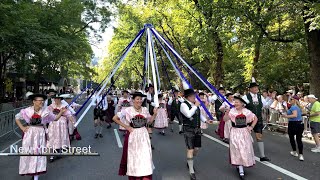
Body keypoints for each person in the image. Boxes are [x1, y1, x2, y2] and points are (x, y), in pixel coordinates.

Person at [15, 93, 66, 180]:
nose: (42, 102)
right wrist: (22, 128)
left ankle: (36, 177)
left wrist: (61, 112)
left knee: (39, 154)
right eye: (40, 100)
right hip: (30, 134)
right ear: (34, 101)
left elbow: (55, 118)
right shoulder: (27, 111)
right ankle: (31, 171)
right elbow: (17, 117)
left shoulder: (46, 111)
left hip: (40, 134)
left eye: (43, 100)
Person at [113, 91, 158, 180]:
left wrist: (155, 114)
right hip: (133, 137)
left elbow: (149, 122)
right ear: (133, 100)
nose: (139, 101)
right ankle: (136, 176)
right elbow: (115, 118)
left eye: (141, 99)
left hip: (144, 136)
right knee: (135, 157)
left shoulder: (145, 109)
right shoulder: (127, 110)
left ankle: (145, 176)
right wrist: (127, 127)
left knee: (145, 156)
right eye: (137, 99)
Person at [180, 86, 213, 180]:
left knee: (196, 149)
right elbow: (189, 114)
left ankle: (189, 160)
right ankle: (191, 171)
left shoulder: (195, 104)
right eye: (193, 96)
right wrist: (195, 106)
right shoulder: (183, 105)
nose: (195, 97)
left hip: (197, 129)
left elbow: (199, 115)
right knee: (190, 149)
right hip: (188, 129)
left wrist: (206, 121)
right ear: (188, 97)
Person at [224, 95, 257, 179]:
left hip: (244, 132)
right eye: (235, 102)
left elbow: (255, 118)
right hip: (235, 132)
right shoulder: (231, 111)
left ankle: (241, 164)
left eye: (237, 102)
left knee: (244, 149)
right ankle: (241, 169)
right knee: (237, 149)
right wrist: (227, 113)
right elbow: (225, 119)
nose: (235, 103)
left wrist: (251, 127)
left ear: (242, 103)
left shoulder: (247, 112)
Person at [242, 78, 270, 161]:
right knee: (246, 137)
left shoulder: (260, 96)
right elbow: (240, 107)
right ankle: (245, 154)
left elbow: (266, 105)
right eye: (254, 87)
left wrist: (272, 99)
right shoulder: (245, 97)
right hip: (248, 120)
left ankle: (262, 155)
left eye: (257, 87)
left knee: (259, 137)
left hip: (258, 119)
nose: (256, 88)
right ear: (250, 89)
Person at [47, 94, 74, 162]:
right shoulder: (51, 106)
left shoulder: (63, 106)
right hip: (53, 124)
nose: (56, 100)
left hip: (61, 124)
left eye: (58, 99)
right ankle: (52, 155)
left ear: (60, 99)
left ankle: (58, 151)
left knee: (60, 137)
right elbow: (47, 113)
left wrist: (72, 121)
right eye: (55, 98)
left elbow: (68, 114)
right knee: (52, 137)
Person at [281, 95, 304, 160]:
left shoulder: (294, 107)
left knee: (292, 138)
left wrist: (285, 116)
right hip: (300, 123)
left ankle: (294, 151)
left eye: (291, 99)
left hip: (293, 124)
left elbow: (294, 115)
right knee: (299, 139)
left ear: (294, 100)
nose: (290, 100)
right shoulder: (299, 107)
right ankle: (301, 155)